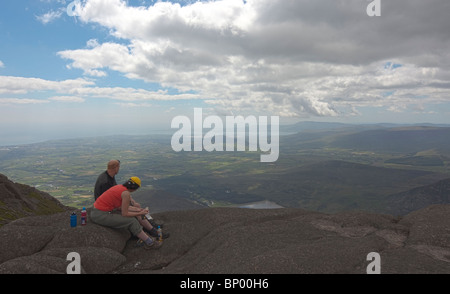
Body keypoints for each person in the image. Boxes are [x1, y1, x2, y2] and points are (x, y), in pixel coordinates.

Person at [90, 176, 161, 249]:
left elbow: (121, 207)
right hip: (100, 215)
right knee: (132, 221)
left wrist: (138, 210)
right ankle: (150, 243)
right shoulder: (126, 194)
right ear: (135, 188)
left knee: (133, 215)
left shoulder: (119, 187)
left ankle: (149, 233)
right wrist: (140, 213)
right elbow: (125, 213)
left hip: (96, 212)